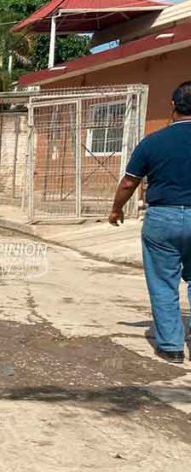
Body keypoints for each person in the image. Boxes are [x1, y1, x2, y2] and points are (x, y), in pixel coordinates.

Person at [109, 80, 191, 365]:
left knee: (163, 284)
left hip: (162, 218)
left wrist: (116, 209)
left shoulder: (153, 142)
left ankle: (171, 346)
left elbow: (129, 182)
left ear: (173, 106)